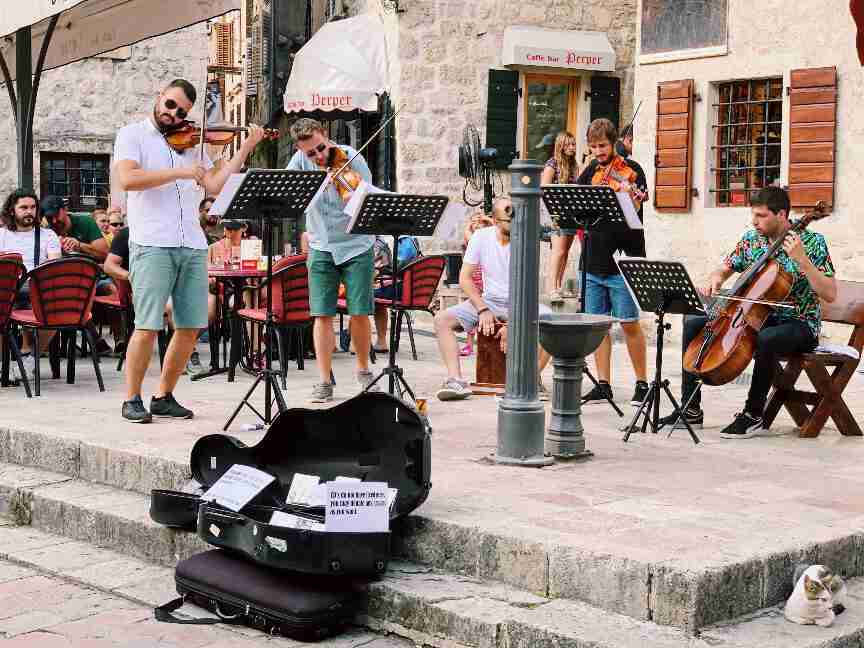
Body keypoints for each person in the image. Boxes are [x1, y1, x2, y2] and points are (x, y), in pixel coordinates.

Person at [113, 78, 265, 423]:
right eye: (170, 105)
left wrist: (246, 147)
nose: (174, 114)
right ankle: (131, 398)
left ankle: (163, 395)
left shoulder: (192, 145)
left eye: (181, 111)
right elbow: (128, 180)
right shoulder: (132, 135)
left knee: (192, 325)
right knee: (148, 324)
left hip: (192, 244)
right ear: (159, 96)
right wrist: (181, 171)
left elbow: (214, 183)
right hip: (152, 242)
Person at [660, 187, 836, 439]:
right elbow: (724, 268)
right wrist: (715, 279)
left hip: (799, 323)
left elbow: (830, 293)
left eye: (761, 215)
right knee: (693, 321)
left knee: (767, 338)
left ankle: (754, 414)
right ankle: (691, 410)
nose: (754, 221)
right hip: (754, 316)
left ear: (782, 214)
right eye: (753, 215)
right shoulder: (751, 240)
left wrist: (802, 260)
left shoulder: (812, 243)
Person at [285, 117, 376, 403]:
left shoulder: (352, 158)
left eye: (321, 148)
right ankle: (324, 380)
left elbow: (365, 203)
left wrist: (342, 184)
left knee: (359, 310)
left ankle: (363, 370)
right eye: (311, 153)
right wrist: (309, 188)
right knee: (321, 313)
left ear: (326, 135)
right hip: (322, 244)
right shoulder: (299, 163)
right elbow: (289, 197)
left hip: (355, 244)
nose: (319, 156)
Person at [433, 197, 551, 401]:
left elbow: (527, 287)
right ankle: (456, 380)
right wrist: (482, 309)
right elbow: (465, 278)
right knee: (442, 320)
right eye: (509, 220)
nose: (515, 224)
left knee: (550, 322)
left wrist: (514, 323)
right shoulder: (481, 237)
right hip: (489, 302)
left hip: (522, 302)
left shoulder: (526, 239)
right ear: (495, 221)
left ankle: (531, 381)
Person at [576, 118, 650, 408]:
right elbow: (578, 203)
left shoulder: (632, 170)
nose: (598, 152)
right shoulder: (590, 171)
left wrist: (625, 191)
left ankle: (642, 383)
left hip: (623, 258)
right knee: (598, 326)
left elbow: (637, 204)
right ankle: (603, 383)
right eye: (593, 147)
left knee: (630, 323)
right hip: (593, 258)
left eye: (603, 146)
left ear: (614, 142)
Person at [0, 189, 62, 362]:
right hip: (6, 290)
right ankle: (2, 363)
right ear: (12, 210)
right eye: (24, 207)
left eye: (33, 207)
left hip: (37, 288)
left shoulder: (48, 235)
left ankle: (31, 358)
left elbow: (54, 266)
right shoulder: (2, 235)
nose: (29, 211)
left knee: (57, 312)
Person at [542, 131, 583, 306]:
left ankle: (558, 286)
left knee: (565, 252)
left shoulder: (575, 165)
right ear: (560, 146)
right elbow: (543, 188)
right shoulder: (552, 164)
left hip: (571, 213)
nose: (572, 148)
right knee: (557, 252)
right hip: (556, 213)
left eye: (573, 144)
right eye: (568, 145)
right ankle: (551, 288)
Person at [459, 209, 494, 356]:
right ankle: (469, 344)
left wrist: (488, 219)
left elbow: (495, 229)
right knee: (475, 314)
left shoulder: (490, 239)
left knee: (486, 315)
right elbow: (468, 233)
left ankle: (482, 344)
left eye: (481, 225)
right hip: (474, 284)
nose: (478, 228)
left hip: (486, 284)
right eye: (475, 226)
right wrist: (471, 223)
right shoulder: (472, 241)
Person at [40, 196, 109, 262]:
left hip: (86, 269)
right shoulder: (46, 231)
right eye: (49, 217)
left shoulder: (85, 222)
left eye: (56, 215)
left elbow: (105, 253)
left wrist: (79, 245)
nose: (54, 221)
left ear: (65, 209)